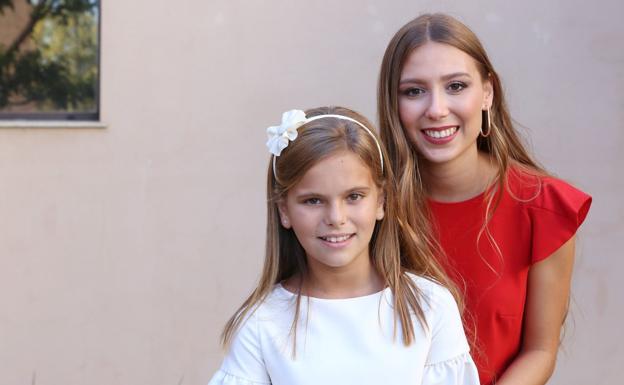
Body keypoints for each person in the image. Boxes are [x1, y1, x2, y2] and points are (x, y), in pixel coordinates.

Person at [377, 13, 592, 385]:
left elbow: (540, 351)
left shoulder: (543, 208)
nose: (437, 109)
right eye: (414, 91)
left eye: (456, 86)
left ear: (487, 92)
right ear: (393, 104)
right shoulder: (370, 207)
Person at [207, 106, 480, 385]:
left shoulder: (429, 307)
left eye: (354, 197)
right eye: (313, 200)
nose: (336, 218)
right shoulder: (261, 323)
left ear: (381, 201)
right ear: (284, 211)